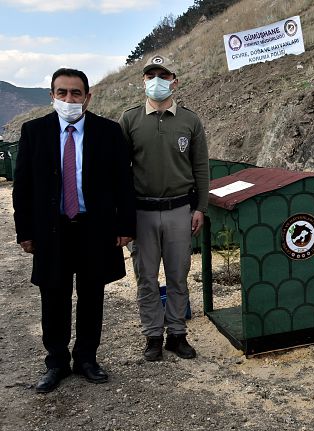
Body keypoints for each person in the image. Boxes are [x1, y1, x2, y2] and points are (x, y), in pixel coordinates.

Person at [12, 68, 135, 393]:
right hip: (52, 230)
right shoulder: (34, 131)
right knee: (53, 296)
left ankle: (86, 358)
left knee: (92, 295)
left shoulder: (108, 132)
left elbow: (123, 183)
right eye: (62, 93)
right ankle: (56, 362)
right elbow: (22, 186)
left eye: (76, 93)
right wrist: (25, 230)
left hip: (94, 229)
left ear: (87, 97)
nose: (69, 99)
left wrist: (125, 225)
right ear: (52, 96)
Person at [119, 54, 209, 361]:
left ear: (175, 81)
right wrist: (122, 216)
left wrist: (200, 207)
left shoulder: (190, 121)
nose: (156, 81)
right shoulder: (129, 120)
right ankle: (153, 336)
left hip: (179, 211)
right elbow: (120, 171)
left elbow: (200, 167)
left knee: (178, 275)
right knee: (146, 277)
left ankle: (177, 334)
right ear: (143, 81)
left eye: (163, 75)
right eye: (150, 75)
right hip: (141, 212)